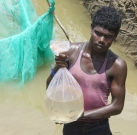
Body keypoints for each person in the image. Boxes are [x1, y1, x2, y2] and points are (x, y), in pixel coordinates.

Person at [46, 6, 127, 135]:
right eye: (98, 33)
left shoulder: (117, 65)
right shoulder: (70, 52)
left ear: (115, 37)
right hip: (71, 125)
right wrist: (58, 67)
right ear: (91, 28)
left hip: (99, 126)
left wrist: (80, 115)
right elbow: (50, 87)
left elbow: (117, 106)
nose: (101, 40)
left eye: (108, 37)